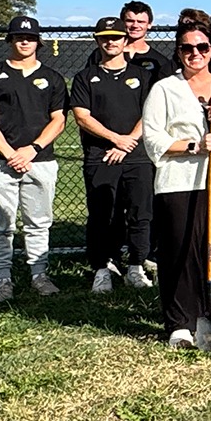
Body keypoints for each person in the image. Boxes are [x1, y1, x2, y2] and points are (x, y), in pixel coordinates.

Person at [141, 22, 211, 348]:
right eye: (187, 48)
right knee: (181, 247)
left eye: (202, 48)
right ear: (178, 52)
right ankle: (181, 320)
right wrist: (194, 146)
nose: (195, 54)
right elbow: (153, 138)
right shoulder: (164, 88)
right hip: (181, 178)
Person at [0, 15, 68, 303]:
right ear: (10, 39)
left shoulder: (52, 77)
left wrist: (33, 149)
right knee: (1, 223)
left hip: (40, 160)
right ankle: (2, 278)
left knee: (39, 222)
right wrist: (11, 153)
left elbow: (59, 120)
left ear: (38, 41)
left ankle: (39, 274)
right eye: (18, 36)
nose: (24, 41)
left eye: (30, 37)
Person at [69, 16, 155, 293]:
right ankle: (102, 268)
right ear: (97, 40)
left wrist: (128, 141)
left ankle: (136, 266)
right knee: (102, 213)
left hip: (137, 155)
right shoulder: (85, 77)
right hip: (100, 154)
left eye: (116, 36)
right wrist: (114, 139)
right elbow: (82, 116)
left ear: (125, 39)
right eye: (105, 37)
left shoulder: (142, 76)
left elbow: (150, 114)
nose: (111, 41)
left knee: (140, 213)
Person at [117, 0, 175, 79]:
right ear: (122, 22)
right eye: (130, 21)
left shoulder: (159, 61)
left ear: (149, 24)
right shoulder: (102, 54)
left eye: (141, 22)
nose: (135, 25)